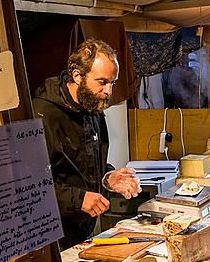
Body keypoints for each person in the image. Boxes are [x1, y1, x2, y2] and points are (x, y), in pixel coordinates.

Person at [33, 39, 141, 249]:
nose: (109, 91)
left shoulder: (91, 108)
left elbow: (85, 167)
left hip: (82, 232)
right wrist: (78, 199)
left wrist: (107, 177)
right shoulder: (43, 115)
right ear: (77, 75)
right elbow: (30, 189)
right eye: (102, 82)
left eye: (113, 83)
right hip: (52, 239)